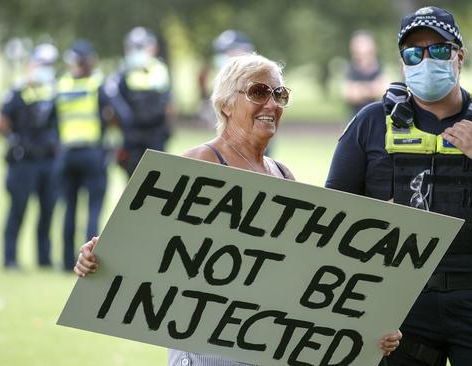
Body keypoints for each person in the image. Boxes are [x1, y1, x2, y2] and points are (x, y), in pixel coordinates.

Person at [74, 53, 402, 365]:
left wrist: (369, 328)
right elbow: (139, 240)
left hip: (265, 348)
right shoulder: (200, 162)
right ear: (226, 103)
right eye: (259, 92)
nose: (271, 104)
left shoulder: (283, 174)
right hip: (205, 351)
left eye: (279, 94)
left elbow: (302, 274)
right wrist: (95, 257)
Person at [326, 6, 472, 366]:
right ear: (402, 62)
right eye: (414, 53)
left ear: (459, 56)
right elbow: (329, 221)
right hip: (392, 301)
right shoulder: (370, 123)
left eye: (439, 50)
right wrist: (369, 219)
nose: (425, 60)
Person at [0, 43, 60, 270]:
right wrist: (13, 139)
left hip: (48, 159)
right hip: (23, 160)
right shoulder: (17, 91)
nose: (45, 68)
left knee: (48, 210)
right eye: (42, 64)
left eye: (49, 64)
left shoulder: (54, 91)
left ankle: (44, 259)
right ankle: (10, 258)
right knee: (18, 209)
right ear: (32, 64)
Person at [55, 39, 111, 271]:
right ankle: (90, 258)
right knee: (94, 208)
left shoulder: (63, 85)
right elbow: (117, 115)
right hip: (92, 153)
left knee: (68, 208)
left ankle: (67, 261)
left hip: (67, 154)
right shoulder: (96, 84)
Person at [104, 26, 173, 177]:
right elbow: (112, 104)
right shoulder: (121, 73)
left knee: (158, 178)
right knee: (132, 178)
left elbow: (168, 104)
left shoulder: (159, 69)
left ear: (152, 47)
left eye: (142, 46)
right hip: (131, 137)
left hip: (156, 135)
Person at [197, 29, 255, 128]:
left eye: (227, 51)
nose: (223, 56)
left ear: (244, 50)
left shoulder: (258, 79)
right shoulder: (226, 82)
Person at [342, 30, 386, 117]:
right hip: (356, 118)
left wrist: (360, 89)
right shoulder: (351, 68)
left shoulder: (378, 66)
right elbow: (350, 94)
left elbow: (383, 91)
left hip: (376, 117)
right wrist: (372, 88)